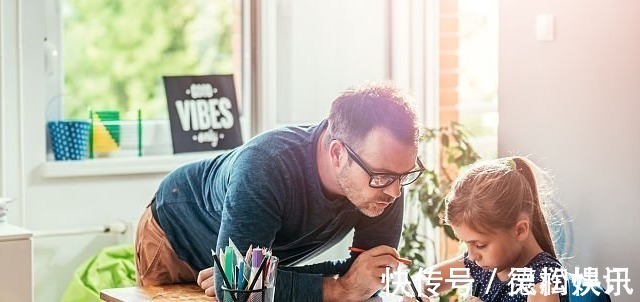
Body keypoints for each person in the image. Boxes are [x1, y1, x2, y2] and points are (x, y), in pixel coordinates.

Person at [134, 82, 425, 301]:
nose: (395, 192)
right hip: (177, 234)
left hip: (256, 258)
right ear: (338, 153)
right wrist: (338, 288)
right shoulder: (266, 166)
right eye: (383, 177)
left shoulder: (384, 179)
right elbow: (239, 289)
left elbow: (366, 276)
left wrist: (247, 280)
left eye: (404, 175)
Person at [421, 157, 569, 302]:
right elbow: (425, 280)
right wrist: (416, 294)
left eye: (479, 245)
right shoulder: (484, 265)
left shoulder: (543, 280)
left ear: (520, 230)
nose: (471, 256)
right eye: (466, 244)